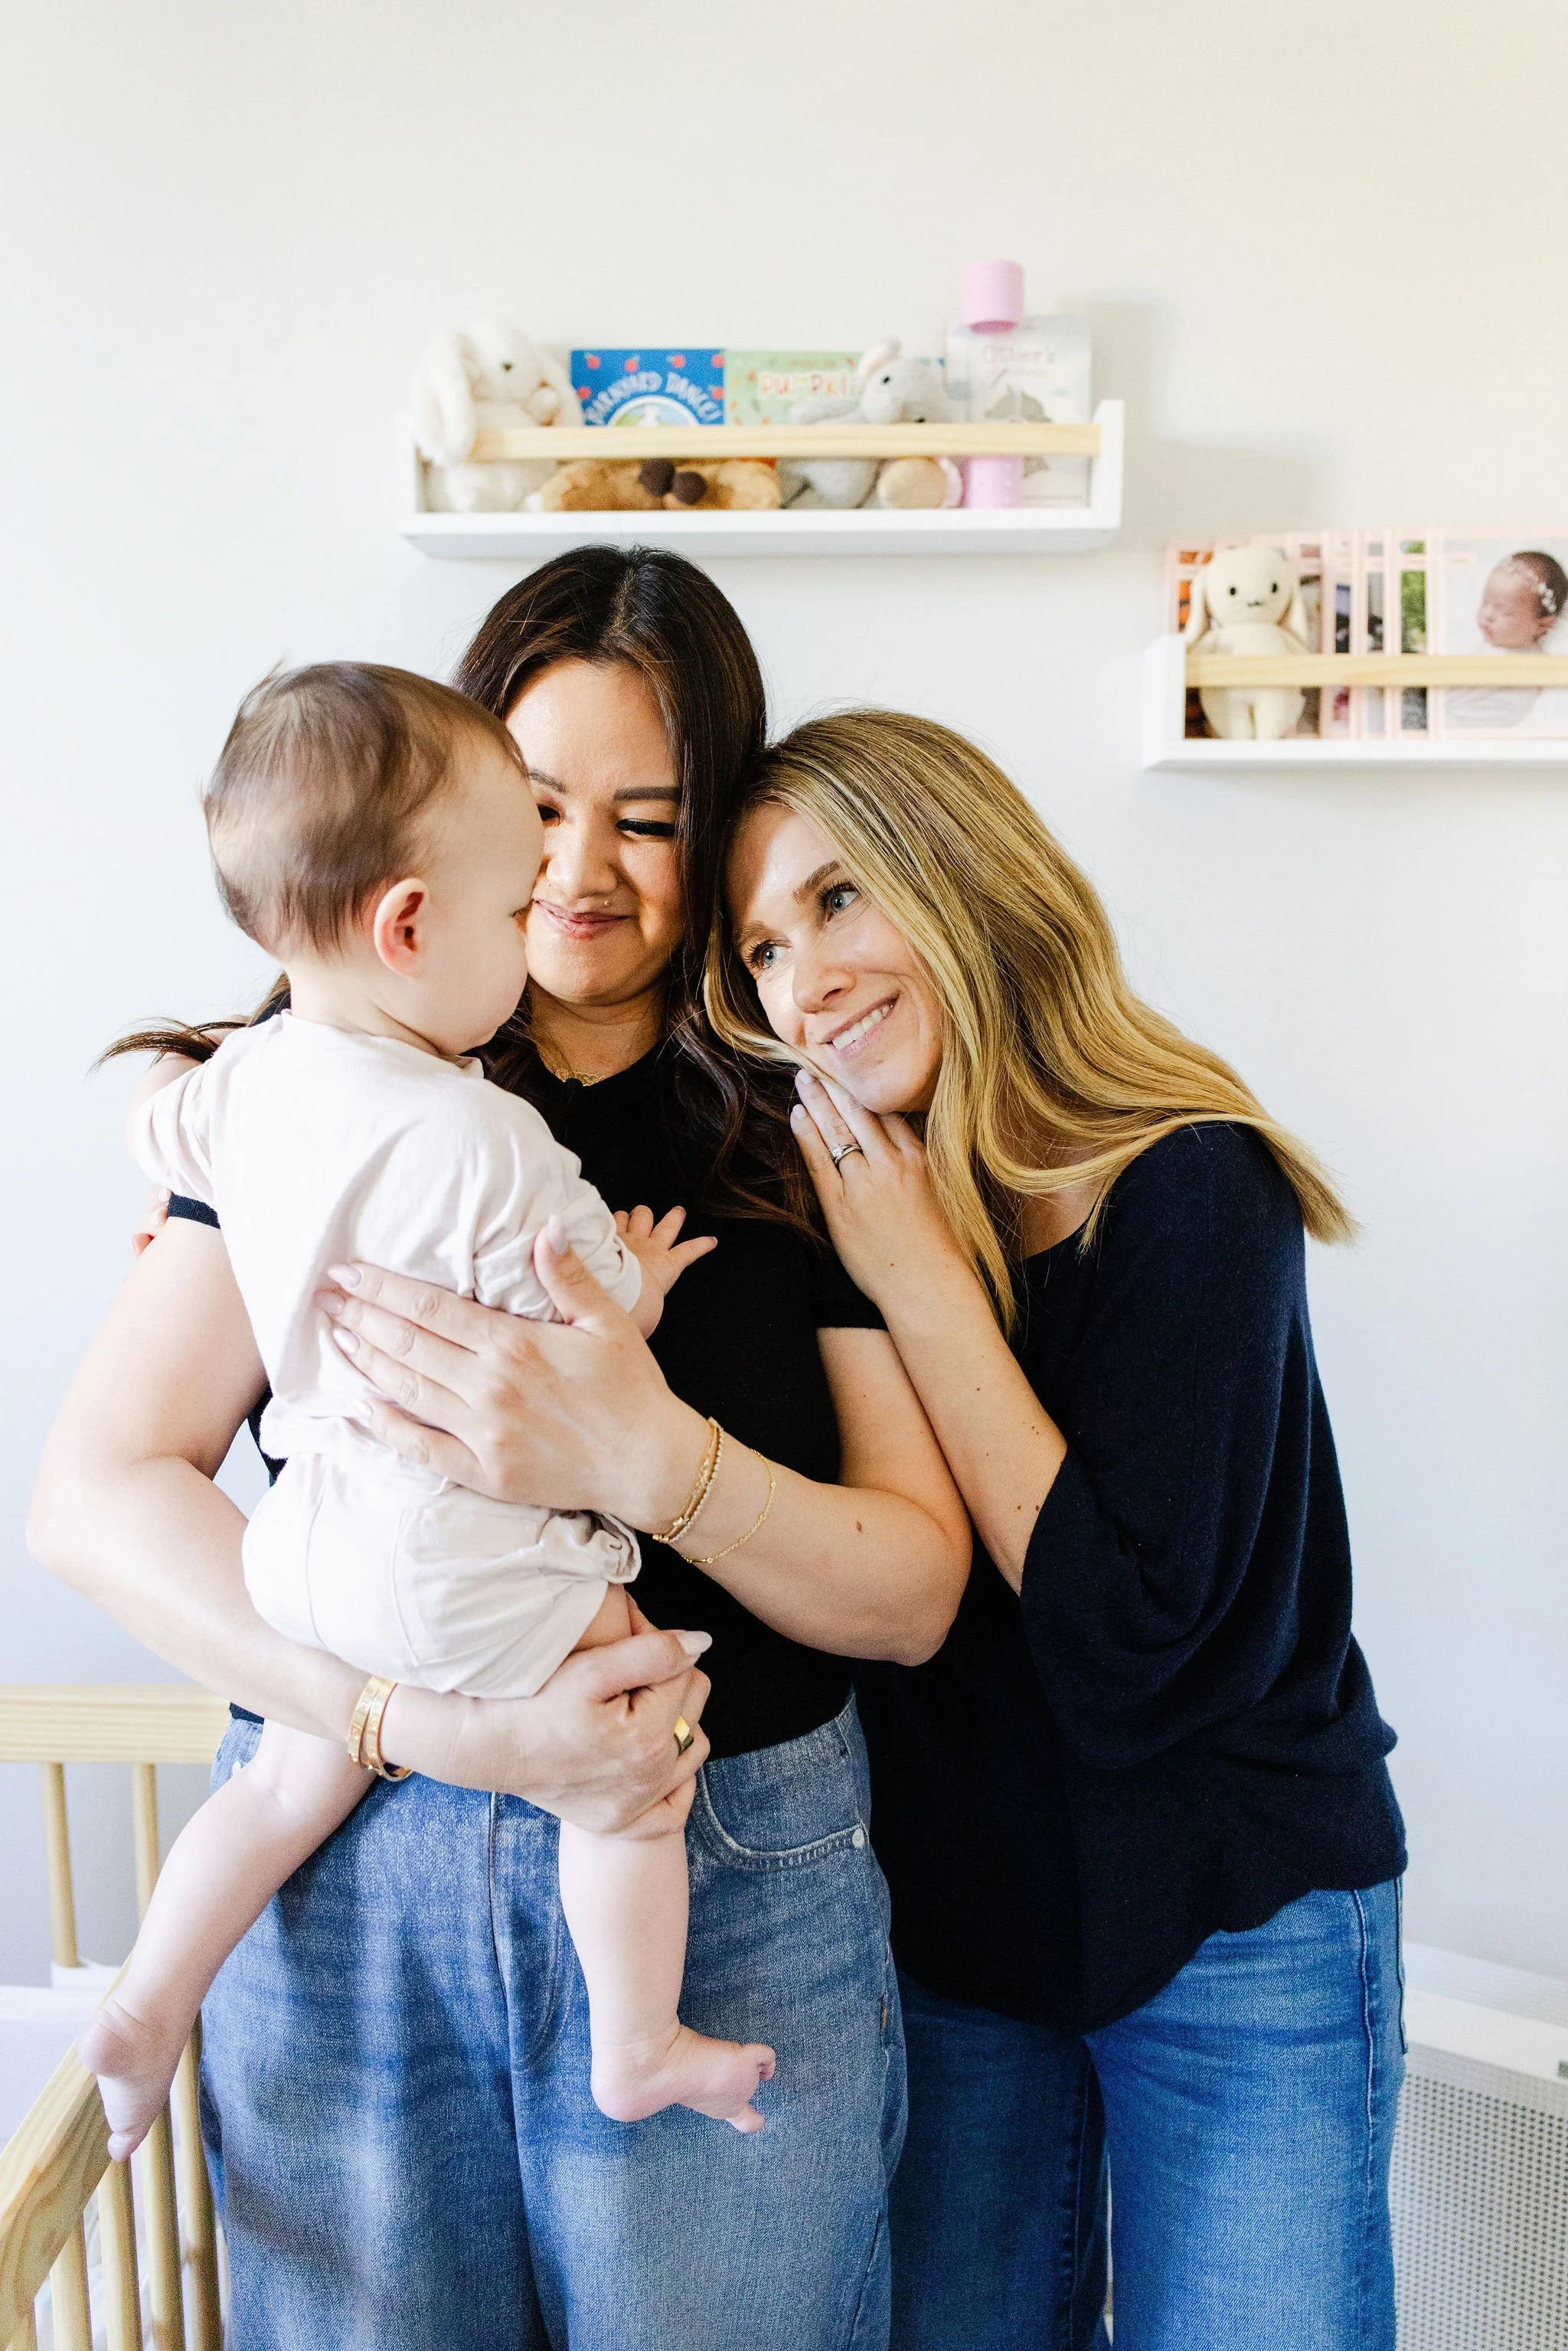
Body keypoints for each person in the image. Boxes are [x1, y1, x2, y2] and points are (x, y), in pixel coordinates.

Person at [29, 554, 970, 2351]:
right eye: (536, 806)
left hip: (733, 1864)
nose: (577, 868)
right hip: (358, 1861)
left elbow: (916, 1585)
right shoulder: (313, 1089)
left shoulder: (792, 1128)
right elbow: (97, 1493)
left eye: (649, 817)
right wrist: (412, 1724)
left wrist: (653, 1455)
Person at [711, 708, 1408, 2351]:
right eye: (756, 946)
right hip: (963, 1934)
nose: (799, 981)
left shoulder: (1190, 1180)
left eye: (836, 899)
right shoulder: (827, 1195)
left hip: (1242, 1924)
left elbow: (1123, 1644)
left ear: (960, 876)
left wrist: (921, 1284)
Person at [82, 659, 776, 2165]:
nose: (544, 924)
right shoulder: (485, 1135)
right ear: (412, 926)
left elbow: (165, 1128)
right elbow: (576, 1311)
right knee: (636, 1742)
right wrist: (637, 1281)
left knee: (284, 1775)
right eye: (518, 894)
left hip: (304, 1546)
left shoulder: (244, 1081)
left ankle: (145, 1998)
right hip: (454, 1552)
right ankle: (638, 2037)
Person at [1447, 545, 1568, 729]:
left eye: (1504, 611)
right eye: (1485, 601)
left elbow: (1496, 716)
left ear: (1543, 625)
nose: (1488, 615)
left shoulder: (1532, 668)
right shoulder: (1476, 638)